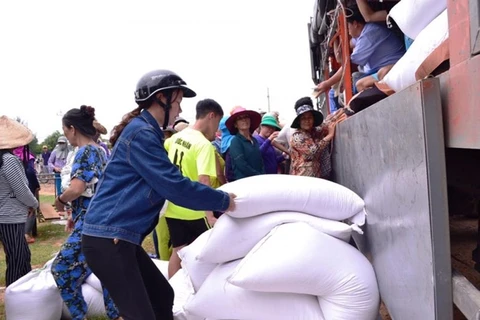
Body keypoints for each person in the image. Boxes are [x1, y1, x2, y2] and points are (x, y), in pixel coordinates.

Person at [81, 69, 236, 320]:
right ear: (160, 100)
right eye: (176, 103)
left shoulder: (146, 132)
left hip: (119, 238)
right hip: (109, 239)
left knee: (162, 296)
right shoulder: (142, 134)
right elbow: (174, 186)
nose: (179, 111)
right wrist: (223, 201)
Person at [50, 106, 120, 320]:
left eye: (64, 130)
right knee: (104, 268)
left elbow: (78, 188)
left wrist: (61, 201)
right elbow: (92, 189)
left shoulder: (84, 152)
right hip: (98, 219)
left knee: (61, 268)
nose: (65, 135)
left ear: (72, 129)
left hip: (90, 223)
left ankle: (80, 315)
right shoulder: (100, 150)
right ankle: (116, 314)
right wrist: (74, 214)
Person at [164, 98, 224, 278]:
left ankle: (172, 294)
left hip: (173, 207)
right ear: (211, 116)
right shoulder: (203, 145)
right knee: (207, 255)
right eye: (218, 123)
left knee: (178, 252)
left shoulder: (174, 138)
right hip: (195, 211)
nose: (216, 128)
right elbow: (204, 181)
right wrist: (210, 214)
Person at [316, 5, 405, 95]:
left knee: (357, 83)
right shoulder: (361, 34)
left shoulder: (369, 35)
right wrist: (336, 33)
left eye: (347, 26)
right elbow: (341, 57)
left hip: (393, 66)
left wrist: (327, 83)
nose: (347, 30)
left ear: (355, 24)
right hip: (379, 69)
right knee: (354, 81)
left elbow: (347, 65)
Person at [0, 116, 39, 286]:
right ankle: (15, 296)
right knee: (17, 258)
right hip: (9, 216)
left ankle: (24, 293)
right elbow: (21, 189)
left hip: (6, 215)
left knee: (22, 255)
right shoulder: (9, 160)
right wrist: (34, 204)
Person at [290, 104, 336, 179]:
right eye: (303, 118)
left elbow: (327, 124)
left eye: (310, 117)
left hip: (316, 176)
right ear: (299, 121)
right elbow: (311, 152)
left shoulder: (314, 132)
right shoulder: (297, 136)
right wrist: (329, 136)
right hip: (302, 177)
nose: (307, 121)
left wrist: (339, 114)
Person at [226, 106, 265, 181]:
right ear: (235, 124)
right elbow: (241, 165)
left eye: (246, 117)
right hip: (245, 183)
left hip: (259, 180)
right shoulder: (235, 141)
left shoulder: (254, 140)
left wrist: (262, 175)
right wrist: (258, 176)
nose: (244, 120)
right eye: (240, 118)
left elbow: (260, 161)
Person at [13, 145, 40, 243]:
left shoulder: (12, 155)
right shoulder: (28, 156)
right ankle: (26, 234)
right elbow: (31, 172)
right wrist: (36, 185)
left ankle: (17, 233)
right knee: (31, 208)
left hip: (13, 187)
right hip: (28, 185)